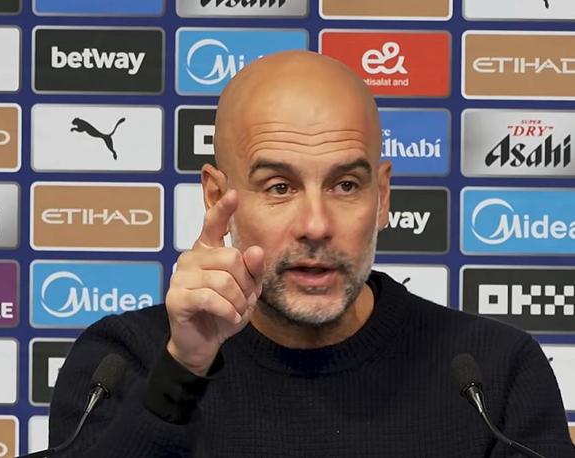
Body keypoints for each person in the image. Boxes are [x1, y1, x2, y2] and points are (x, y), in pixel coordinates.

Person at [48, 50, 574, 457]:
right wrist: (181, 370)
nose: (316, 226)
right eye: (279, 187)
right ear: (216, 196)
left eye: (346, 186)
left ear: (382, 197)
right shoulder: (122, 362)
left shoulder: (493, 375)